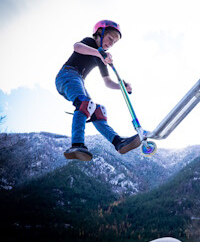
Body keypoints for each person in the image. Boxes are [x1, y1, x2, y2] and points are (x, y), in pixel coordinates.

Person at [55, 20, 140, 161]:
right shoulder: (90, 42)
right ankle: (76, 144)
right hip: (67, 75)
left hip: (78, 80)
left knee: (98, 111)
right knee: (84, 103)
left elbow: (107, 82)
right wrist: (99, 53)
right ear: (99, 33)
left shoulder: (101, 57)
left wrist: (122, 87)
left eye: (114, 42)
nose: (111, 44)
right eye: (110, 38)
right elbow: (76, 47)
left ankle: (118, 142)